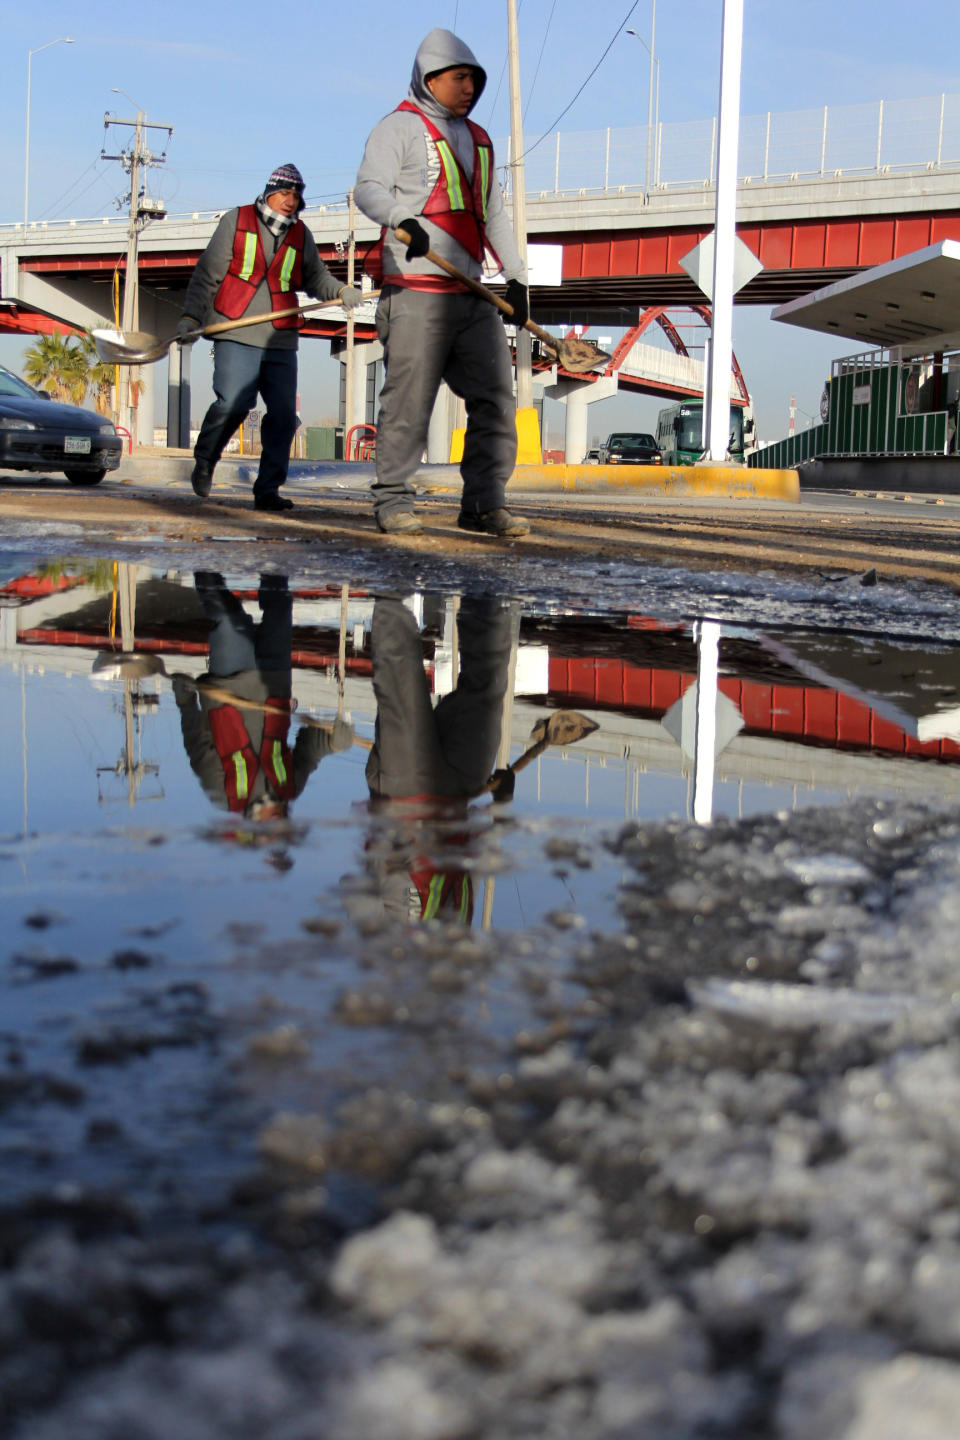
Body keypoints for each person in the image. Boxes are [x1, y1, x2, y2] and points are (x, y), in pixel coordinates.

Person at [355, 29, 531, 538]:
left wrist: (516, 277)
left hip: (472, 293)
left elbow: (492, 212)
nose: (470, 87)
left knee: (497, 399)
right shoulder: (398, 129)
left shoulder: (479, 140)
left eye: (475, 80)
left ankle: (482, 504)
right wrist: (400, 218)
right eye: (460, 78)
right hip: (416, 292)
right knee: (408, 405)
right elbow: (368, 187)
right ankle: (392, 501)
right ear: (430, 78)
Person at [178, 164, 363, 512]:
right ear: (269, 193)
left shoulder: (300, 235)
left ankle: (267, 490)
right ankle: (205, 459)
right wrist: (191, 315)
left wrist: (341, 289)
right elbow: (207, 274)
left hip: (280, 337)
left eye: (296, 196)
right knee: (234, 402)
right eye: (284, 194)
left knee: (282, 415)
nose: (290, 202)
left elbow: (316, 277)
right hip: (234, 328)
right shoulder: (236, 220)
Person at [359, 593, 513, 923]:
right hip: (460, 793)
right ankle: (482, 586)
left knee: (400, 680)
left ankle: (393, 579)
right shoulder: (461, 927)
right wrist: (500, 804)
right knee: (489, 688)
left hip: (404, 795)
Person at [172, 572, 353, 825]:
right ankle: (273, 554)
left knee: (227, 620)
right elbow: (310, 749)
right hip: (275, 682)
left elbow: (196, 743)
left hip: (229, 682)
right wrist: (333, 742)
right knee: (280, 608)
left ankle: (202, 559)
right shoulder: (290, 789)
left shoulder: (224, 796)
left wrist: (185, 702)